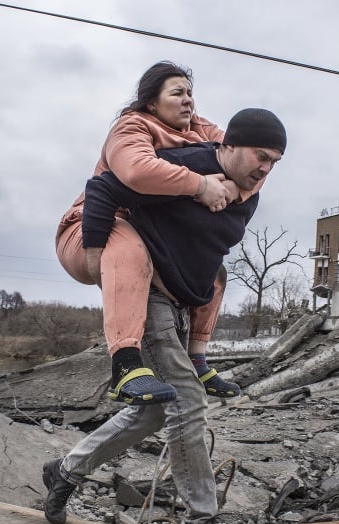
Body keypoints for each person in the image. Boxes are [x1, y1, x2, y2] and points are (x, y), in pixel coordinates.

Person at [44, 108, 287, 524]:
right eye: (261, 156)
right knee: (189, 403)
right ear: (230, 146)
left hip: (179, 304)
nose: (266, 168)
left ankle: (66, 469)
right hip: (147, 292)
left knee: (157, 409)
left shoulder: (248, 192)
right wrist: (97, 253)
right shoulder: (190, 166)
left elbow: (206, 251)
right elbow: (104, 187)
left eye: (275, 161)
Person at [55, 61, 246, 406]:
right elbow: (136, 171)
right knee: (126, 241)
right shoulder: (131, 126)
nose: (188, 100)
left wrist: (235, 187)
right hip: (91, 229)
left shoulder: (201, 130)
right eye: (178, 93)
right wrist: (201, 184)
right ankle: (125, 365)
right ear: (152, 103)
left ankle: (198, 360)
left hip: (148, 240)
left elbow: (246, 158)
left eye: (190, 93)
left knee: (214, 271)